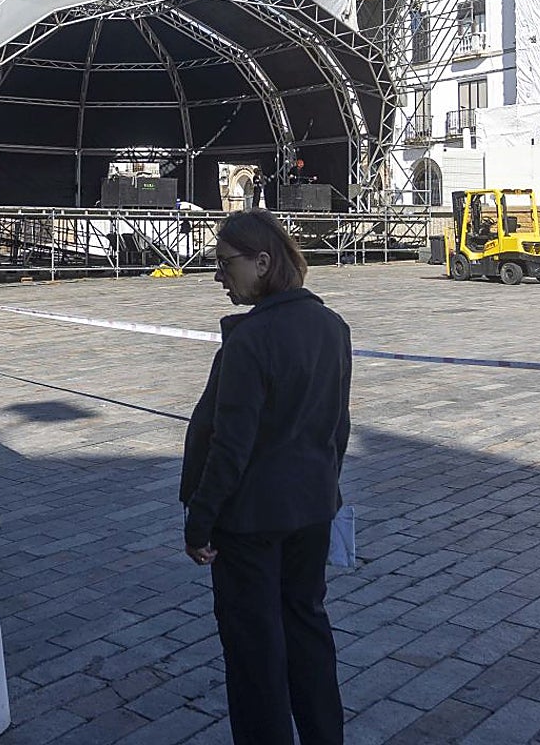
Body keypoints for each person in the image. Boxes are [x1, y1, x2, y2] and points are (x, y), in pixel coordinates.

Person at [180, 208, 351, 745]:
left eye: (224, 262)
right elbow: (337, 428)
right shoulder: (332, 327)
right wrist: (327, 489)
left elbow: (230, 445)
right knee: (307, 631)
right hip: (310, 510)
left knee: (255, 655)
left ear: (263, 261)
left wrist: (200, 521)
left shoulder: (252, 339)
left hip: (249, 521)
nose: (217, 275)